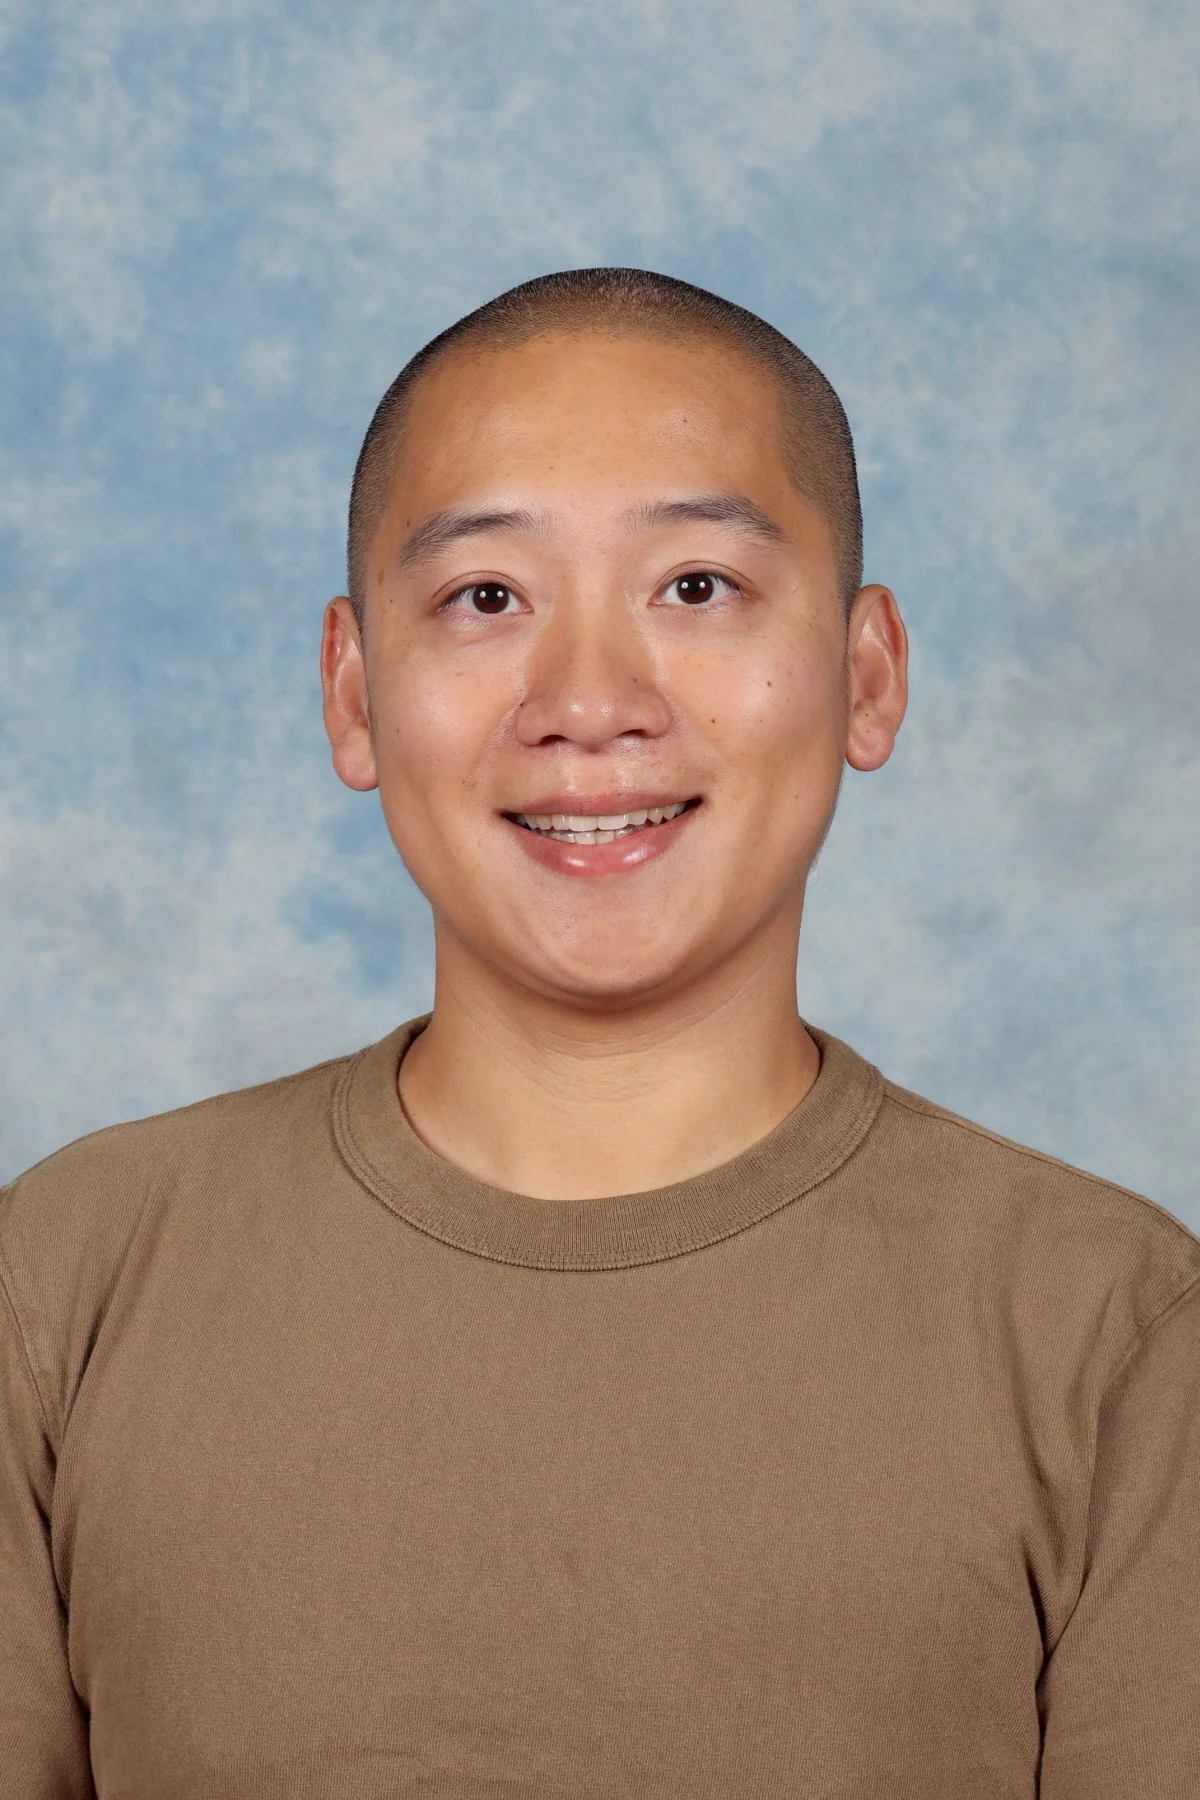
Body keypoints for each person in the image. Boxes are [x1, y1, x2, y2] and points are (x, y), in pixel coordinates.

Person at [1, 268, 1196, 1799]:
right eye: (487, 598)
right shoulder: (66, 1282)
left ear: (866, 675)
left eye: (695, 586)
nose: (589, 701)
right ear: (354, 693)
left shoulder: (1119, 1337)